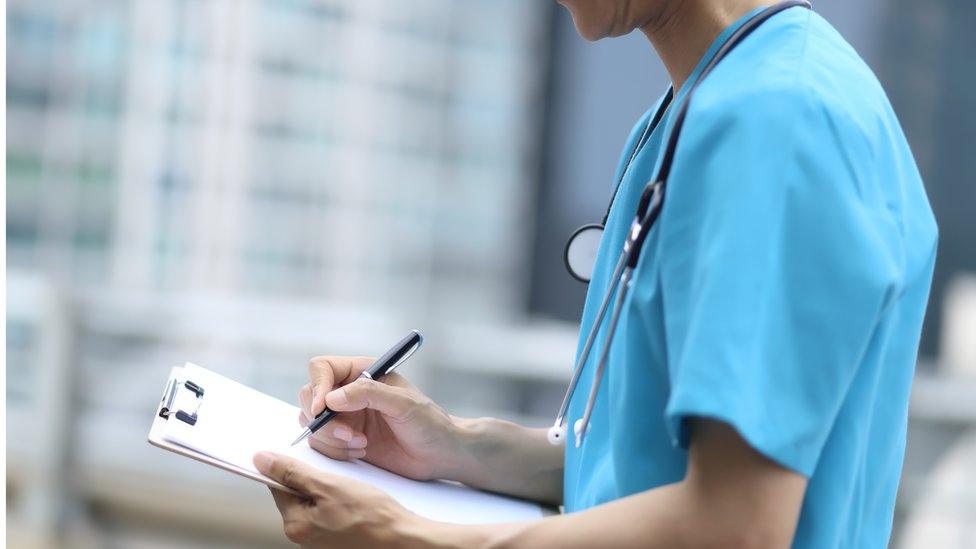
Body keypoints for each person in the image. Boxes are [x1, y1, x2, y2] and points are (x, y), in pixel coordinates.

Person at [255, 0, 938, 547]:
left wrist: (411, 537)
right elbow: (636, 462)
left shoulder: (780, 122)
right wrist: (451, 446)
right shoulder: (685, 114)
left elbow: (738, 522)